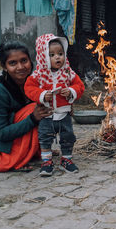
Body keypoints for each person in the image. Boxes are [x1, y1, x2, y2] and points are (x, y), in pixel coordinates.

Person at [0, 40, 53, 172]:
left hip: (17, 131)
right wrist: (33, 118)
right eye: (13, 63)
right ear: (4, 67)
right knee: (34, 109)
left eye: (24, 60)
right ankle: (15, 157)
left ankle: (34, 150)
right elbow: (0, 133)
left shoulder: (34, 81)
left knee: (45, 103)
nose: (20, 67)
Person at [25, 34, 85, 177]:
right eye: (52, 55)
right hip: (47, 113)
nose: (58, 57)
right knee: (45, 137)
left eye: (60, 53)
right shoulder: (38, 75)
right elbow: (29, 88)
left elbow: (80, 86)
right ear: (43, 57)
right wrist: (41, 95)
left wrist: (71, 91)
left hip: (64, 113)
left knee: (68, 136)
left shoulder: (68, 72)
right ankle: (47, 162)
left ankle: (66, 159)